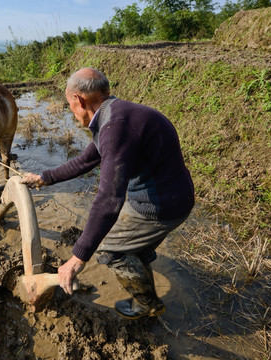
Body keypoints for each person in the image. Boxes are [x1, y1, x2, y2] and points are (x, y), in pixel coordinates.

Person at [20, 67, 194, 319]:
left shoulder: (115, 128)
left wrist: (77, 258)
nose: (71, 111)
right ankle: (141, 270)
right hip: (174, 195)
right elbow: (85, 161)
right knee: (133, 248)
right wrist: (44, 178)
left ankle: (147, 304)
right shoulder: (116, 113)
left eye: (70, 105)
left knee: (110, 250)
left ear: (79, 100)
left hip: (160, 205)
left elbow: (109, 198)